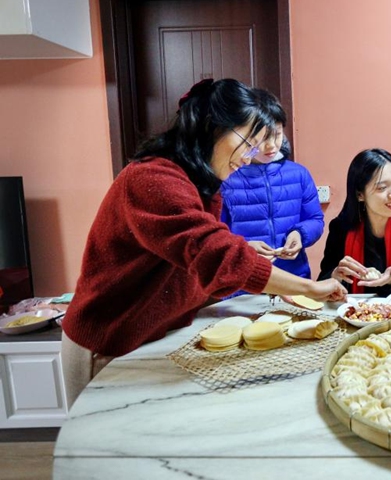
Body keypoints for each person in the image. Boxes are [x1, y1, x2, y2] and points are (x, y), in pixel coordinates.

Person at [61, 79, 347, 408]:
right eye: (248, 143)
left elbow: (198, 261)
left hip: (150, 335)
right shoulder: (151, 179)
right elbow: (215, 254)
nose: (249, 156)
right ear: (213, 127)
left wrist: (250, 259)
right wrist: (307, 288)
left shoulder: (201, 184)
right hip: (108, 342)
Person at [220, 89, 324, 281]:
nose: (271, 145)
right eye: (263, 138)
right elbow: (216, 235)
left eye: (277, 135)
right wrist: (245, 247)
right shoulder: (227, 177)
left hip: (293, 277)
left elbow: (316, 219)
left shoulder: (298, 174)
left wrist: (300, 235)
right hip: (243, 282)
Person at [318, 148, 391, 297]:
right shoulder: (341, 229)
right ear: (360, 195)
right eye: (382, 188)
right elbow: (321, 283)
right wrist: (335, 276)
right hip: (354, 315)